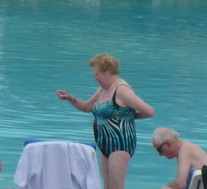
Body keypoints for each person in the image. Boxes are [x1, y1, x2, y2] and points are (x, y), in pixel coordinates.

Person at [57, 52, 154, 189]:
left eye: (97, 75)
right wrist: (70, 99)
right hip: (105, 144)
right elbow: (87, 107)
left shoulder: (122, 90)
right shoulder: (103, 89)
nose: (95, 79)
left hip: (120, 143)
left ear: (108, 71)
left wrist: (129, 116)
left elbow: (149, 111)